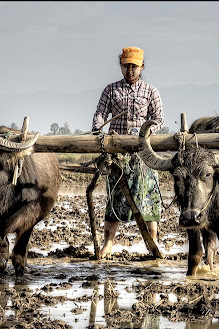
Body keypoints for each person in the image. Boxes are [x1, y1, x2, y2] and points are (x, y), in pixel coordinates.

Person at [92, 46, 165, 258]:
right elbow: (99, 114)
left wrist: (145, 129)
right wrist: (99, 127)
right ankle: (108, 243)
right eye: (126, 66)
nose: (130, 71)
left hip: (144, 156)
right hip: (117, 156)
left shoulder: (151, 91)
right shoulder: (111, 90)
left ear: (142, 67)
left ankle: (154, 242)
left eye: (134, 66)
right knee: (114, 199)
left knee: (149, 199)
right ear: (121, 66)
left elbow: (159, 120)